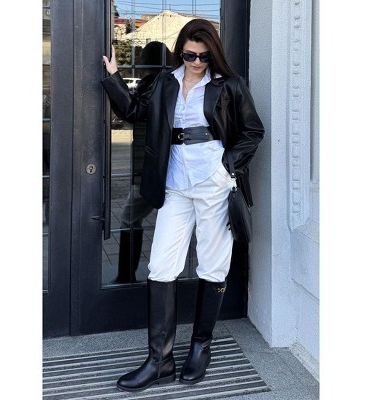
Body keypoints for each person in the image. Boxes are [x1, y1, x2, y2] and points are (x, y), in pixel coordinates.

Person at [102, 18, 264, 392]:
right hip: (175, 184)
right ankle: (159, 359)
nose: (197, 63)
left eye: (204, 56)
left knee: (212, 264)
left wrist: (228, 166)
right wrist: (113, 76)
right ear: (181, 51)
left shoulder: (230, 85)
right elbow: (134, 111)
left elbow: (253, 131)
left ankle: (200, 348)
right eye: (190, 55)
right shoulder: (165, 82)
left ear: (213, 54)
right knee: (161, 266)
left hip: (214, 185)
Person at [112, 41, 171, 284]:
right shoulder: (171, 82)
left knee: (129, 218)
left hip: (151, 167)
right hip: (166, 166)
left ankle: (126, 276)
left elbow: (132, 112)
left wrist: (113, 76)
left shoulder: (152, 85)